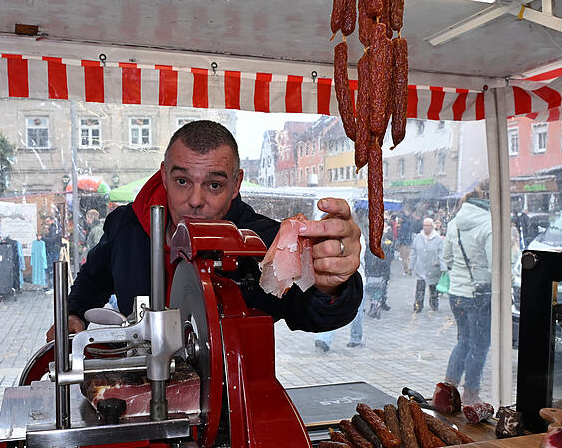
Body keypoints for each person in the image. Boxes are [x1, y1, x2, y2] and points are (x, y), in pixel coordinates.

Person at [60, 120, 363, 336]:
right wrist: (73, 314)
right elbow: (92, 280)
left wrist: (331, 282)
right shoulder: (126, 227)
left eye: (214, 185)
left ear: (236, 184)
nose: (195, 200)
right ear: (164, 176)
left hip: (230, 403)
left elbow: (311, 311)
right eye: (182, 181)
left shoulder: (262, 242)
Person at [441, 184, 492, 405]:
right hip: (479, 294)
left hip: (456, 293)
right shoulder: (490, 225)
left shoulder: (454, 224)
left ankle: (447, 390)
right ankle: (471, 392)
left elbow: (448, 258)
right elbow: (495, 265)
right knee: (479, 345)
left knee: (463, 341)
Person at [314, 233, 366, 351]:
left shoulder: (357, 236)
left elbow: (356, 256)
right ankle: (324, 338)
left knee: (355, 312)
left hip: (355, 280)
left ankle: (355, 338)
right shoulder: (331, 237)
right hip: (338, 279)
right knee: (334, 308)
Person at [410, 218, 446, 312]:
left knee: (433, 287)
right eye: (424, 225)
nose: (426, 227)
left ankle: (434, 303)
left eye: (428, 225)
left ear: (432, 226)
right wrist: (410, 266)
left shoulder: (437, 238)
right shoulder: (418, 237)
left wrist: (443, 267)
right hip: (421, 266)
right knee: (420, 287)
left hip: (433, 267)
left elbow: (441, 253)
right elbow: (413, 252)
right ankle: (418, 305)